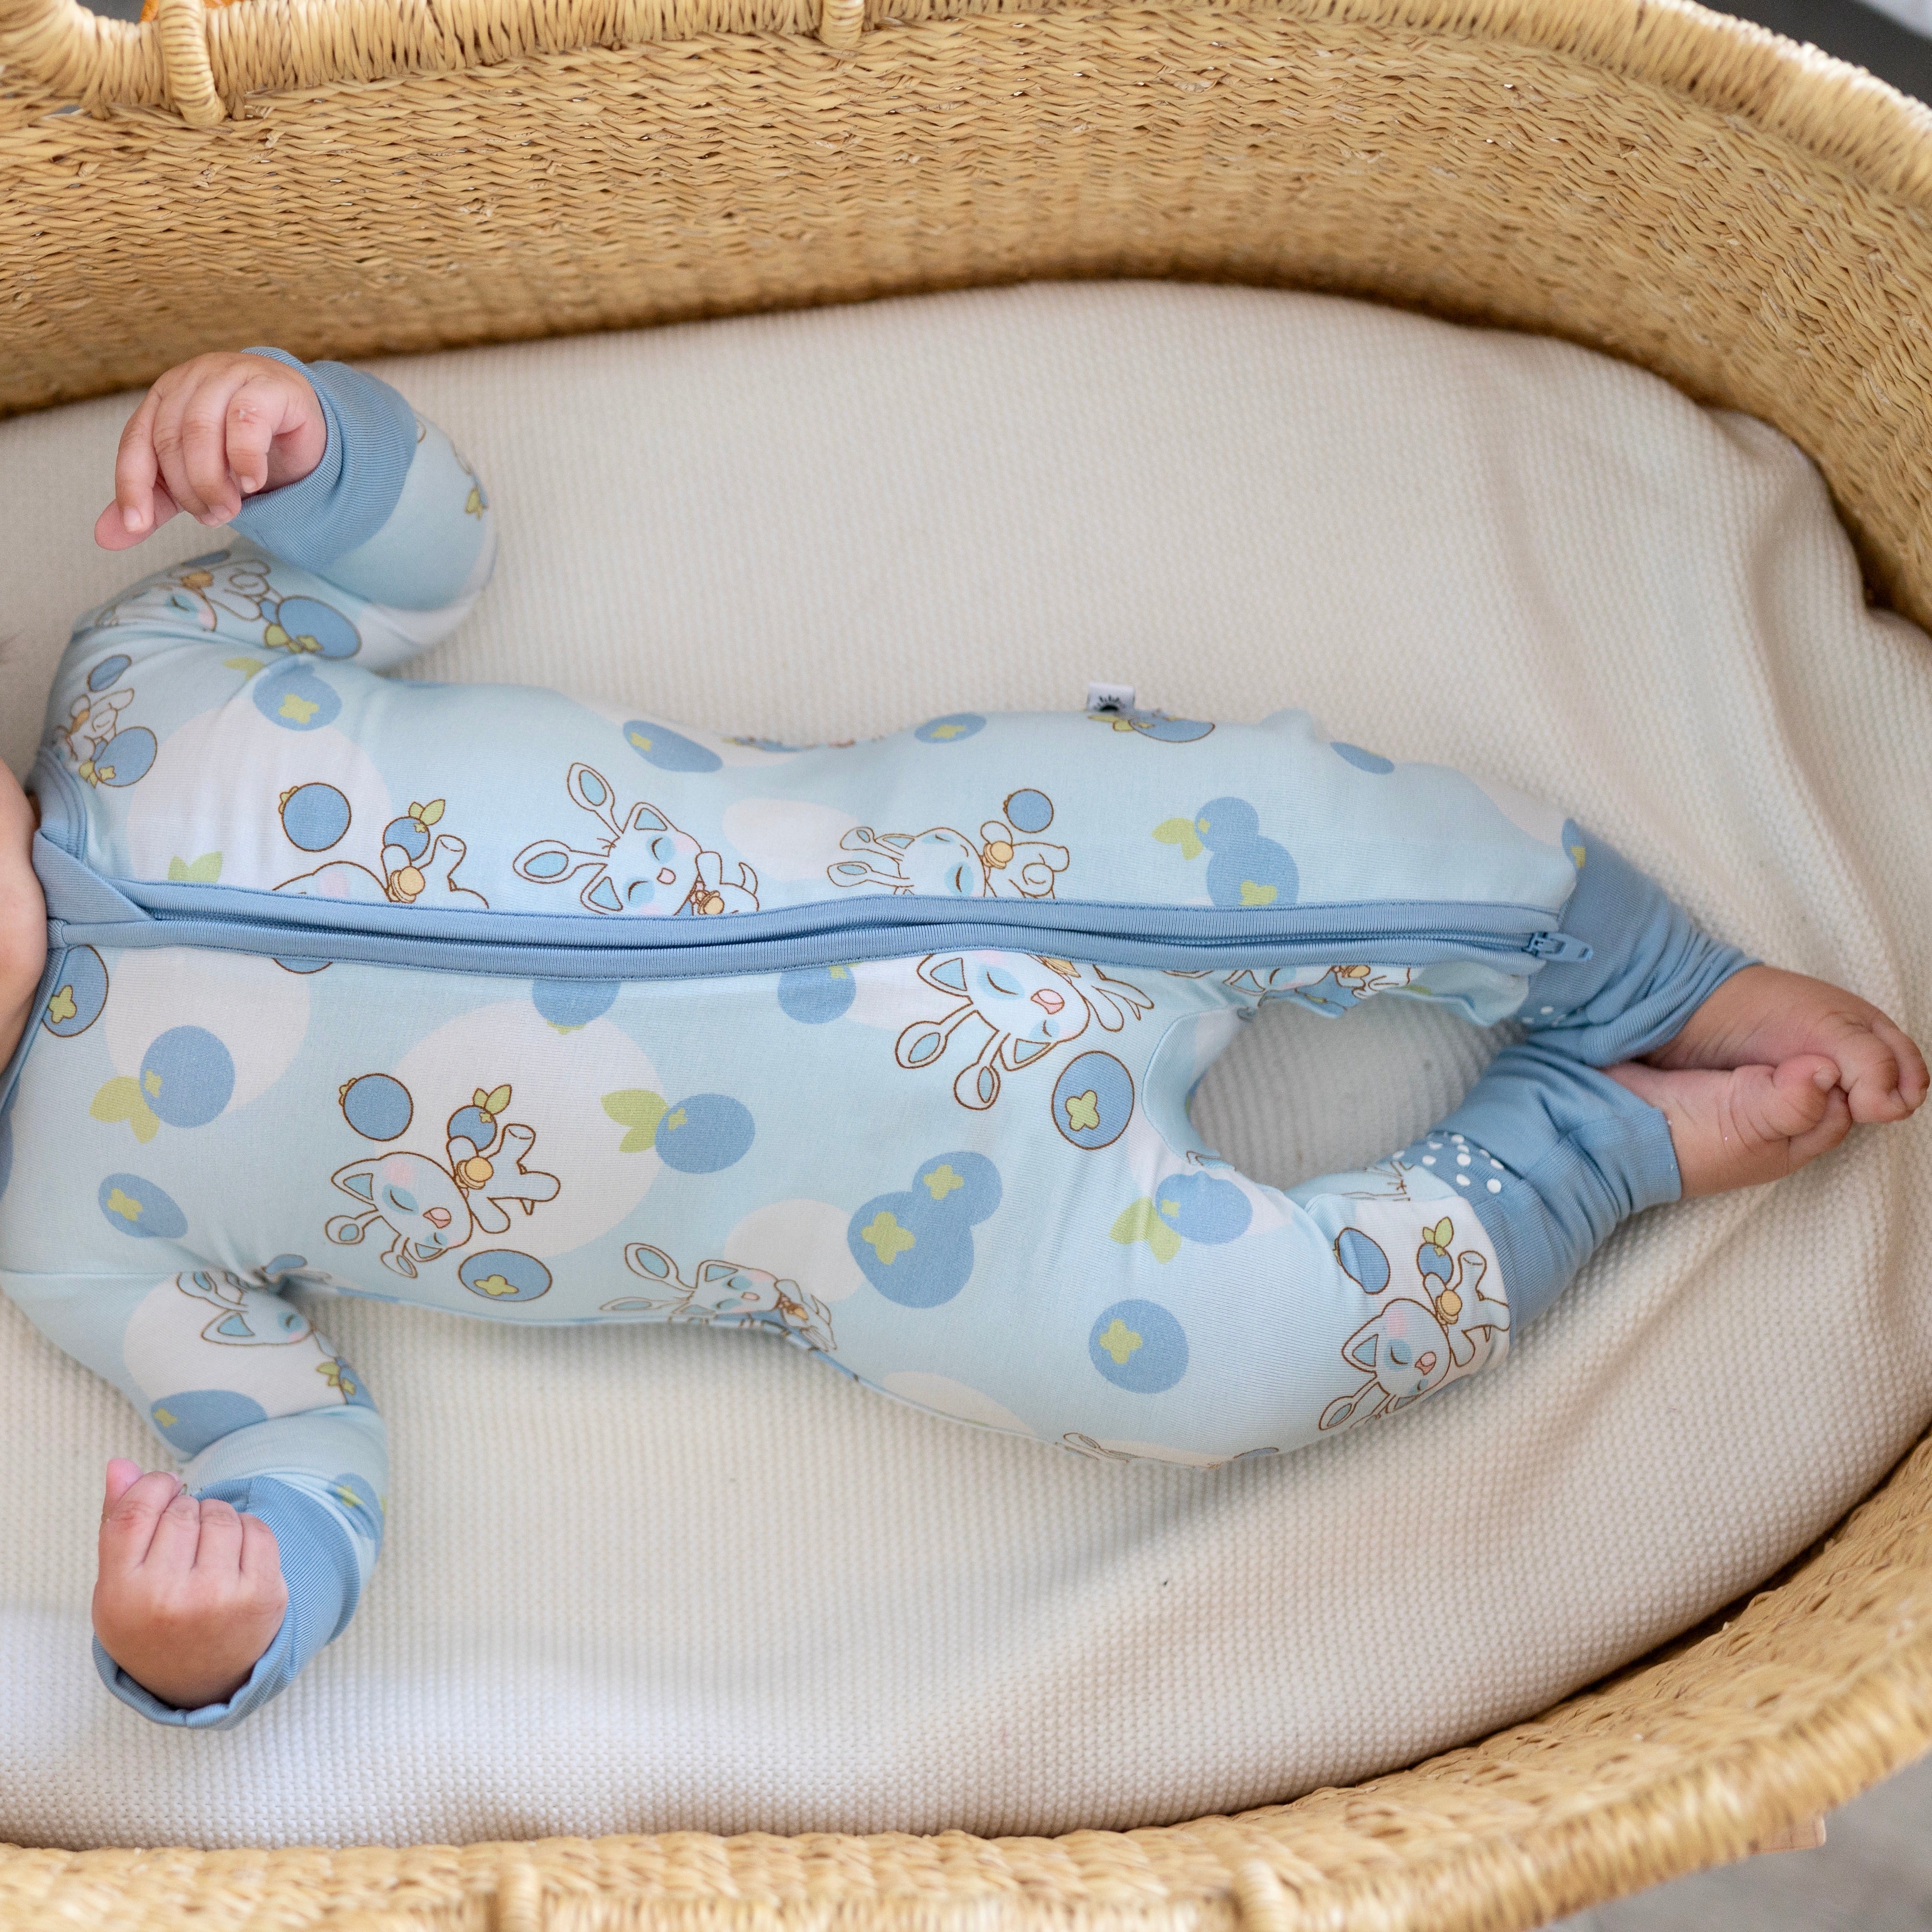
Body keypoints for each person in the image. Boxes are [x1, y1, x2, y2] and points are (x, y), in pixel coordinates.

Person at [0, 350, 1921, 1729]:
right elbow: (290, 1441)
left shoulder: (146, 683)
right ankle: (1587, 1156)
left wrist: (303, 441)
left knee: (1337, 830)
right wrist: (215, 1620)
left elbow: (424, 560)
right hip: (909, 1233)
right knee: (1219, 1368)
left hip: (983, 852)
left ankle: (1644, 973)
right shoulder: (74, 1228)